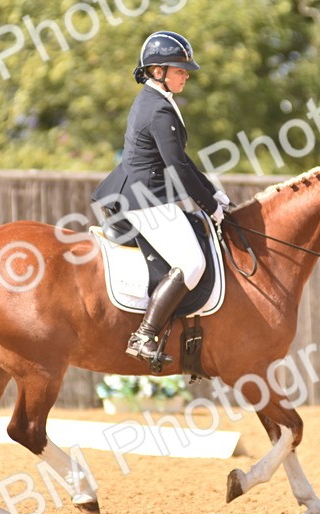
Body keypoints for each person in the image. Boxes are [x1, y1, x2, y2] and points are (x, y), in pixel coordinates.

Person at [92, 30, 231, 364]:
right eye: (179, 69)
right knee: (192, 263)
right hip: (145, 199)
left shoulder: (157, 102)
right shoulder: (158, 109)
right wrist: (209, 206)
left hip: (147, 193)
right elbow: (177, 166)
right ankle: (144, 336)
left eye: (185, 70)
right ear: (158, 71)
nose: (186, 74)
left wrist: (214, 193)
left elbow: (182, 161)